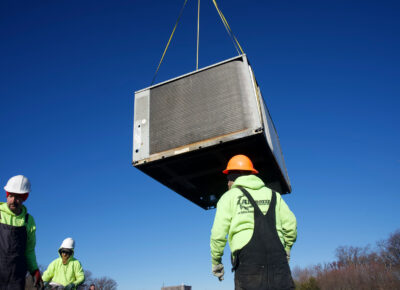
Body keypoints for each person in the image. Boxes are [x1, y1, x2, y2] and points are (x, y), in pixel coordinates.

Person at [210, 155, 297, 289]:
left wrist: (216, 262)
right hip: (278, 260)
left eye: (228, 178)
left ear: (236, 176)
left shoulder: (228, 197)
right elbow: (291, 226)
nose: (227, 183)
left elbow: (218, 234)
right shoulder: (274, 196)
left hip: (248, 264)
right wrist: (286, 250)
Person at [0, 175, 42, 289]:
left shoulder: (29, 220)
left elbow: (29, 250)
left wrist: (34, 270)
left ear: (24, 197)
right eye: (11, 196)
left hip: (16, 278)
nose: (13, 200)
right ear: (7, 195)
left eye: (18, 197)